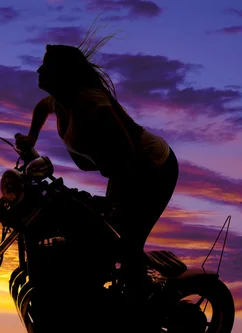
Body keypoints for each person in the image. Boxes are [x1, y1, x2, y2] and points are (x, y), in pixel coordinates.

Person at [15, 33, 179, 316]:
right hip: (123, 171)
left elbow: (126, 147)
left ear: (62, 74)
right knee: (100, 232)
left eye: (46, 66)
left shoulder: (90, 102)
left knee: (126, 242)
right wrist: (31, 140)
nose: (39, 71)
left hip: (152, 168)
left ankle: (140, 315)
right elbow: (42, 107)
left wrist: (114, 195)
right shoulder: (60, 100)